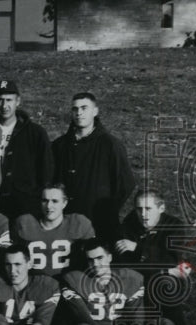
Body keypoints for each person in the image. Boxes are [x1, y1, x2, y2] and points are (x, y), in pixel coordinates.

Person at [61, 238, 173, 325]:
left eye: (100, 258)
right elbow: (81, 316)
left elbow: (136, 314)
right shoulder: (75, 280)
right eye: (90, 260)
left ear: (109, 257)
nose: (96, 264)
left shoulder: (130, 278)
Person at [51, 92, 134, 242]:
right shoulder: (59, 145)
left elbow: (125, 184)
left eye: (84, 108)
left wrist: (107, 211)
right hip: (65, 221)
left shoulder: (111, 145)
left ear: (95, 111)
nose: (79, 113)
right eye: (75, 109)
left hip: (99, 223)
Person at [114, 189, 192, 325]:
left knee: (166, 284)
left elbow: (172, 260)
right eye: (139, 209)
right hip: (140, 277)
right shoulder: (129, 224)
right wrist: (167, 270)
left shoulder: (174, 226)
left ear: (161, 208)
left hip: (160, 280)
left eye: (148, 209)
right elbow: (125, 265)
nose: (143, 214)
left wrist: (138, 249)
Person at [0, 81, 53, 221]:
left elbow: (46, 172)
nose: (4, 105)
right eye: (0, 100)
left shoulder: (36, 133)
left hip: (26, 205)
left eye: (9, 100)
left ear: (18, 101)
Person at [12, 183, 95, 278]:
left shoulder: (79, 223)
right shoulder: (24, 223)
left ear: (64, 203)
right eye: (45, 201)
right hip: (35, 285)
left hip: (69, 284)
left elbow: (95, 257)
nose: (48, 206)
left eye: (54, 201)